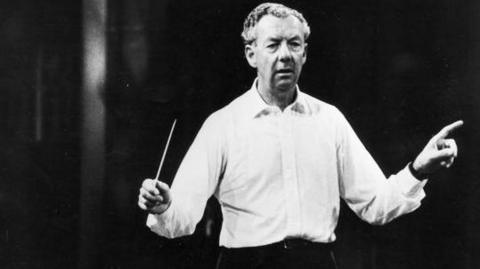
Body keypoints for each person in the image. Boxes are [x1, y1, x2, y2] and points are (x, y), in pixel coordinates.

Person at [138, 3, 462, 268]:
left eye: (294, 44)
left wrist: (418, 168)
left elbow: (376, 205)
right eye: (273, 44)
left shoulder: (329, 121)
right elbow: (182, 219)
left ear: (305, 54)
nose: (285, 55)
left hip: (316, 261)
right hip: (247, 263)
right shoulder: (223, 125)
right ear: (252, 55)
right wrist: (164, 206)